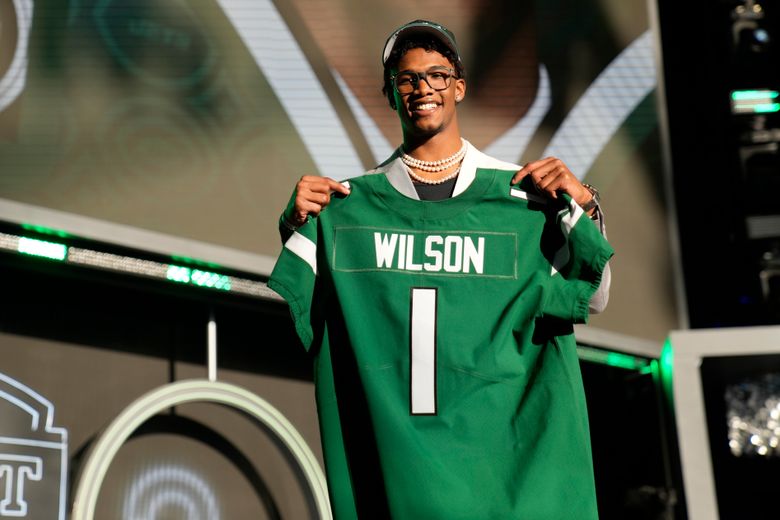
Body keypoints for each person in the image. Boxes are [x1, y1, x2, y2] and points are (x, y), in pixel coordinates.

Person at [269, 19, 613, 519]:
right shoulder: (345, 208)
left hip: (510, 477)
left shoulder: (522, 199)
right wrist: (295, 227)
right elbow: (307, 311)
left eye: (436, 74)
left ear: (459, 86)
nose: (422, 87)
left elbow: (596, 295)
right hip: (402, 478)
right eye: (406, 78)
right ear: (391, 94)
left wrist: (586, 207)